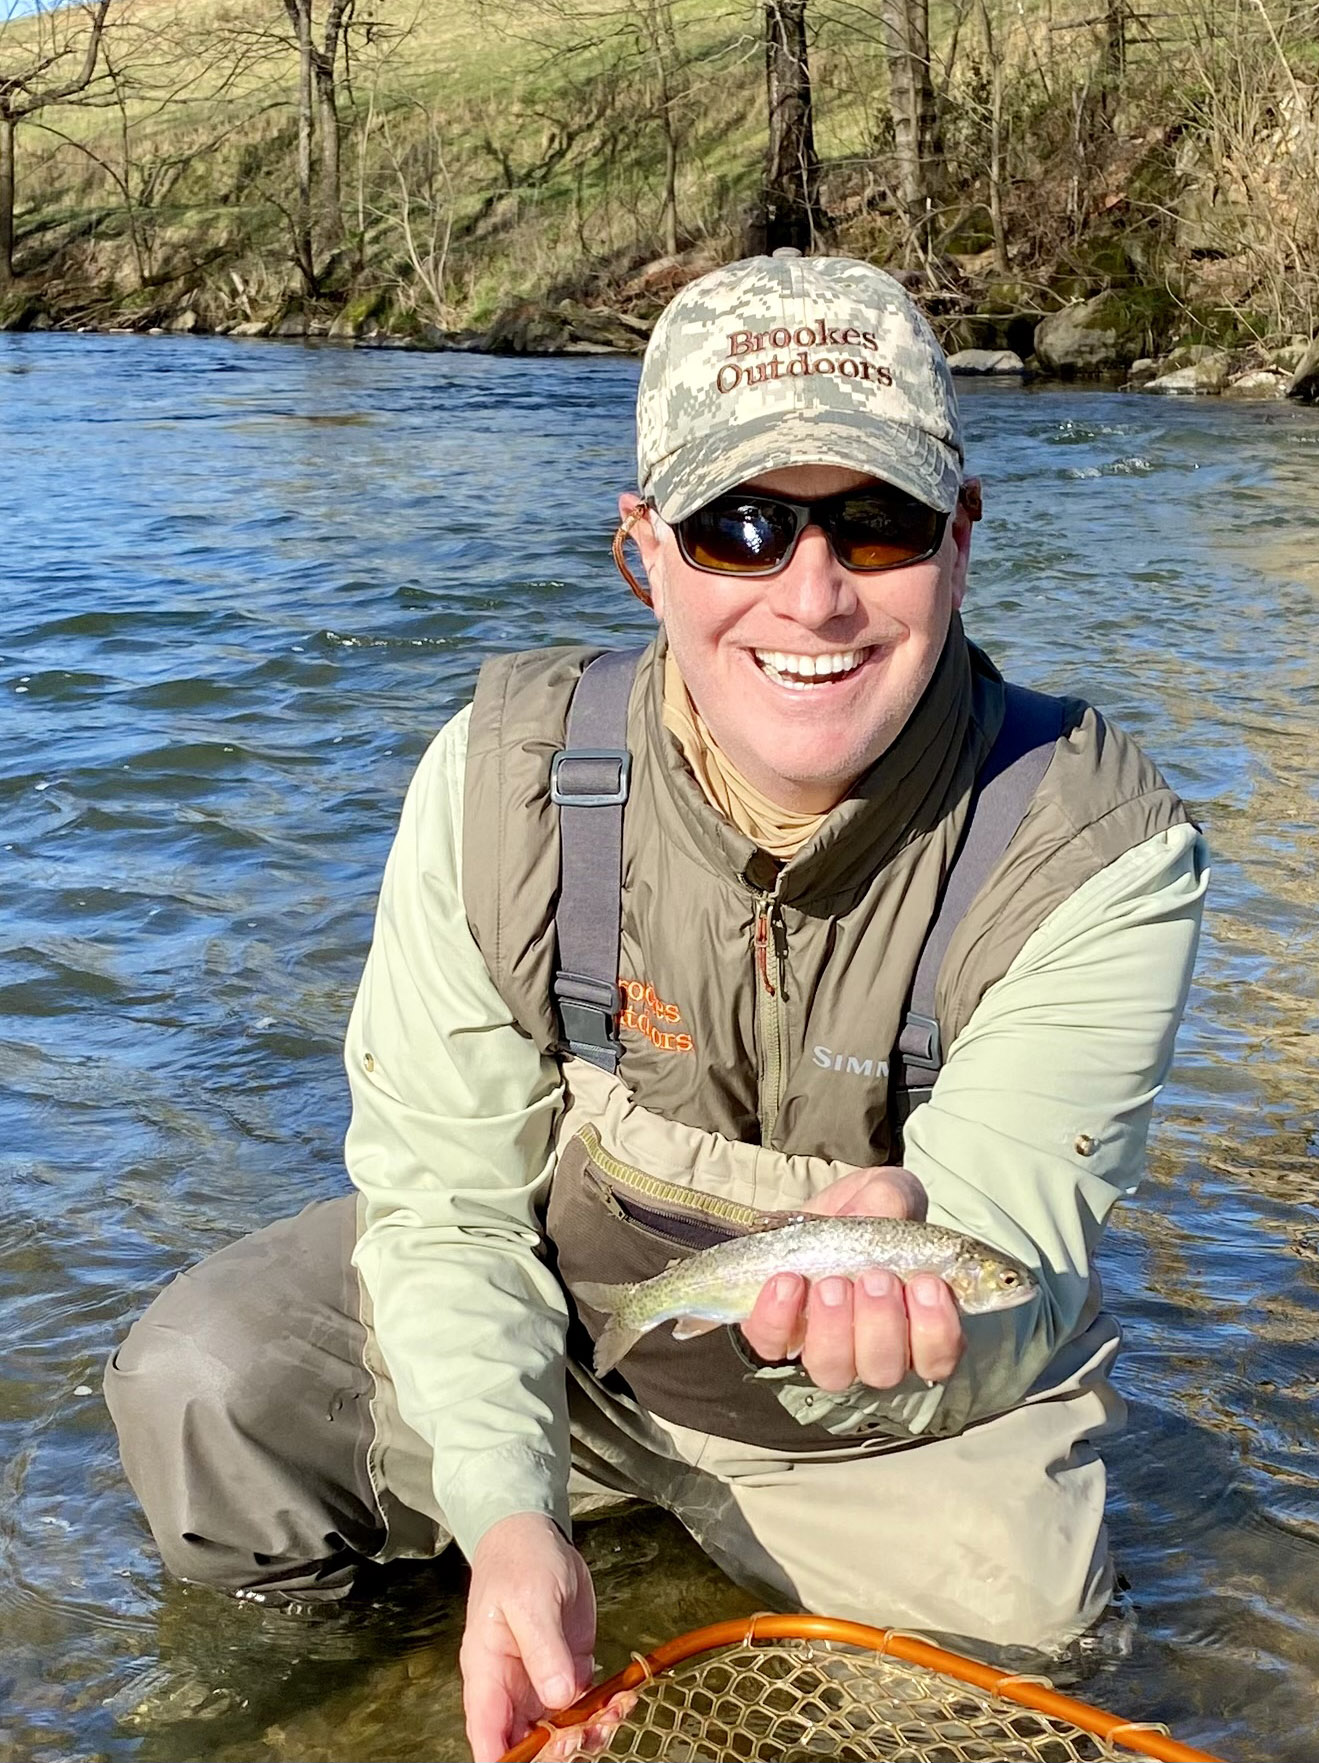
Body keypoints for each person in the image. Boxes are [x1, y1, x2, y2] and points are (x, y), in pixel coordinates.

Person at [106, 251, 1208, 1763]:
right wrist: (506, 1519)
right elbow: (446, 1211)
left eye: (873, 523)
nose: (811, 591)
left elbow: (1013, 1251)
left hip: (896, 1425)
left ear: (961, 538)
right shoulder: (502, 785)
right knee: (204, 1384)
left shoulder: (1095, 847)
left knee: (1021, 1689)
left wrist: (924, 1318)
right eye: (739, 526)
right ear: (647, 553)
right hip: (569, 1351)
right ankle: (374, 1679)